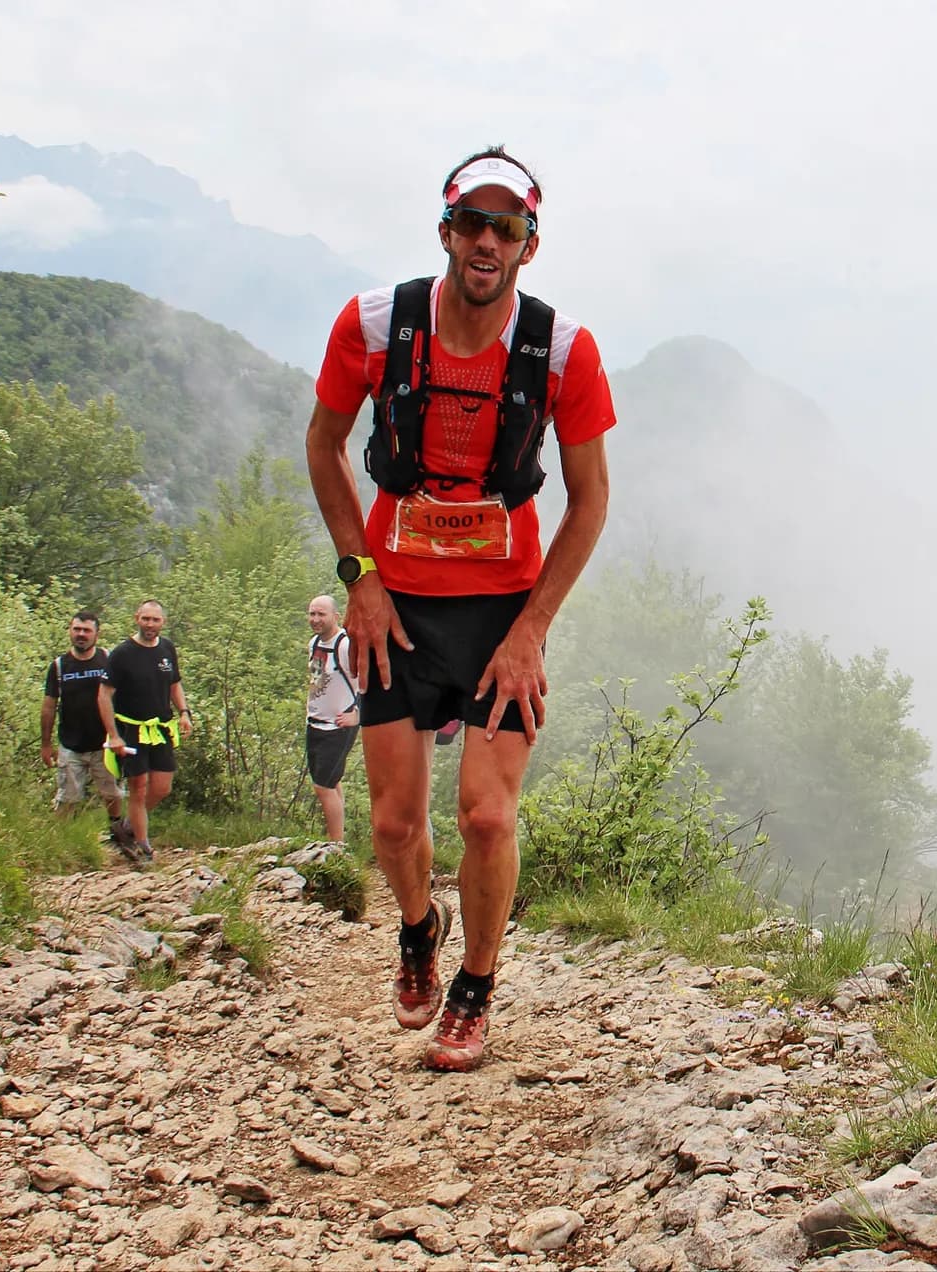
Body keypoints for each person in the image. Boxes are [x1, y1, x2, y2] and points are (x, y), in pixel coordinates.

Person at [305, 146, 614, 1071]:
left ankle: (475, 990)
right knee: (395, 825)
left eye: (507, 226)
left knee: (486, 814)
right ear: (445, 231)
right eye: (472, 223)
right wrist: (358, 575)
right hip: (392, 604)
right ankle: (416, 929)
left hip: (500, 616)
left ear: (528, 245)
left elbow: (591, 499)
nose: (488, 240)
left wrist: (532, 631)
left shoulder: (561, 351)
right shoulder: (372, 325)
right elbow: (323, 447)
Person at [98, 599, 194, 863]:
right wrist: (114, 734)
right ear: (137, 618)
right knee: (138, 787)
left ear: (163, 622)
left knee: (162, 786)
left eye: (155, 620)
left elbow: (175, 684)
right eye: (146, 619)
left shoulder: (166, 648)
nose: (150, 625)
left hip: (160, 728)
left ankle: (127, 827)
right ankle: (143, 846)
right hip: (130, 728)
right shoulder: (122, 653)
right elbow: (104, 695)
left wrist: (184, 712)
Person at [40, 609, 129, 848]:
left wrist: (122, 735)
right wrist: (46, 744)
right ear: (70, 631)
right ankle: (59, 843)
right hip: (71, 744)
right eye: (77, 629)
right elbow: (49, 706)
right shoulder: (59, 666)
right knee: (68, 797)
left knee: (112, 793)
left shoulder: (108, 660)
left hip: (105, 743)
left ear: (96, 634)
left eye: (86, 630)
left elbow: (124, 697)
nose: (81, 634)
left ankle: (116, 833)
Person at [306, 593, 361, 841]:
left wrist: (358, 715)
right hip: (315, 723)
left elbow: (367, 683)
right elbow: (317, 681)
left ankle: (335, 846)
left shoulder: (346, 644)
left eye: (321, 614)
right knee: (331, 782)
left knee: (323, 786)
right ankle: (338, 843)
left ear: (335, 616)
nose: (316, 619)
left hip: (338, 726)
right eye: (312, 614)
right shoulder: (314, 644)